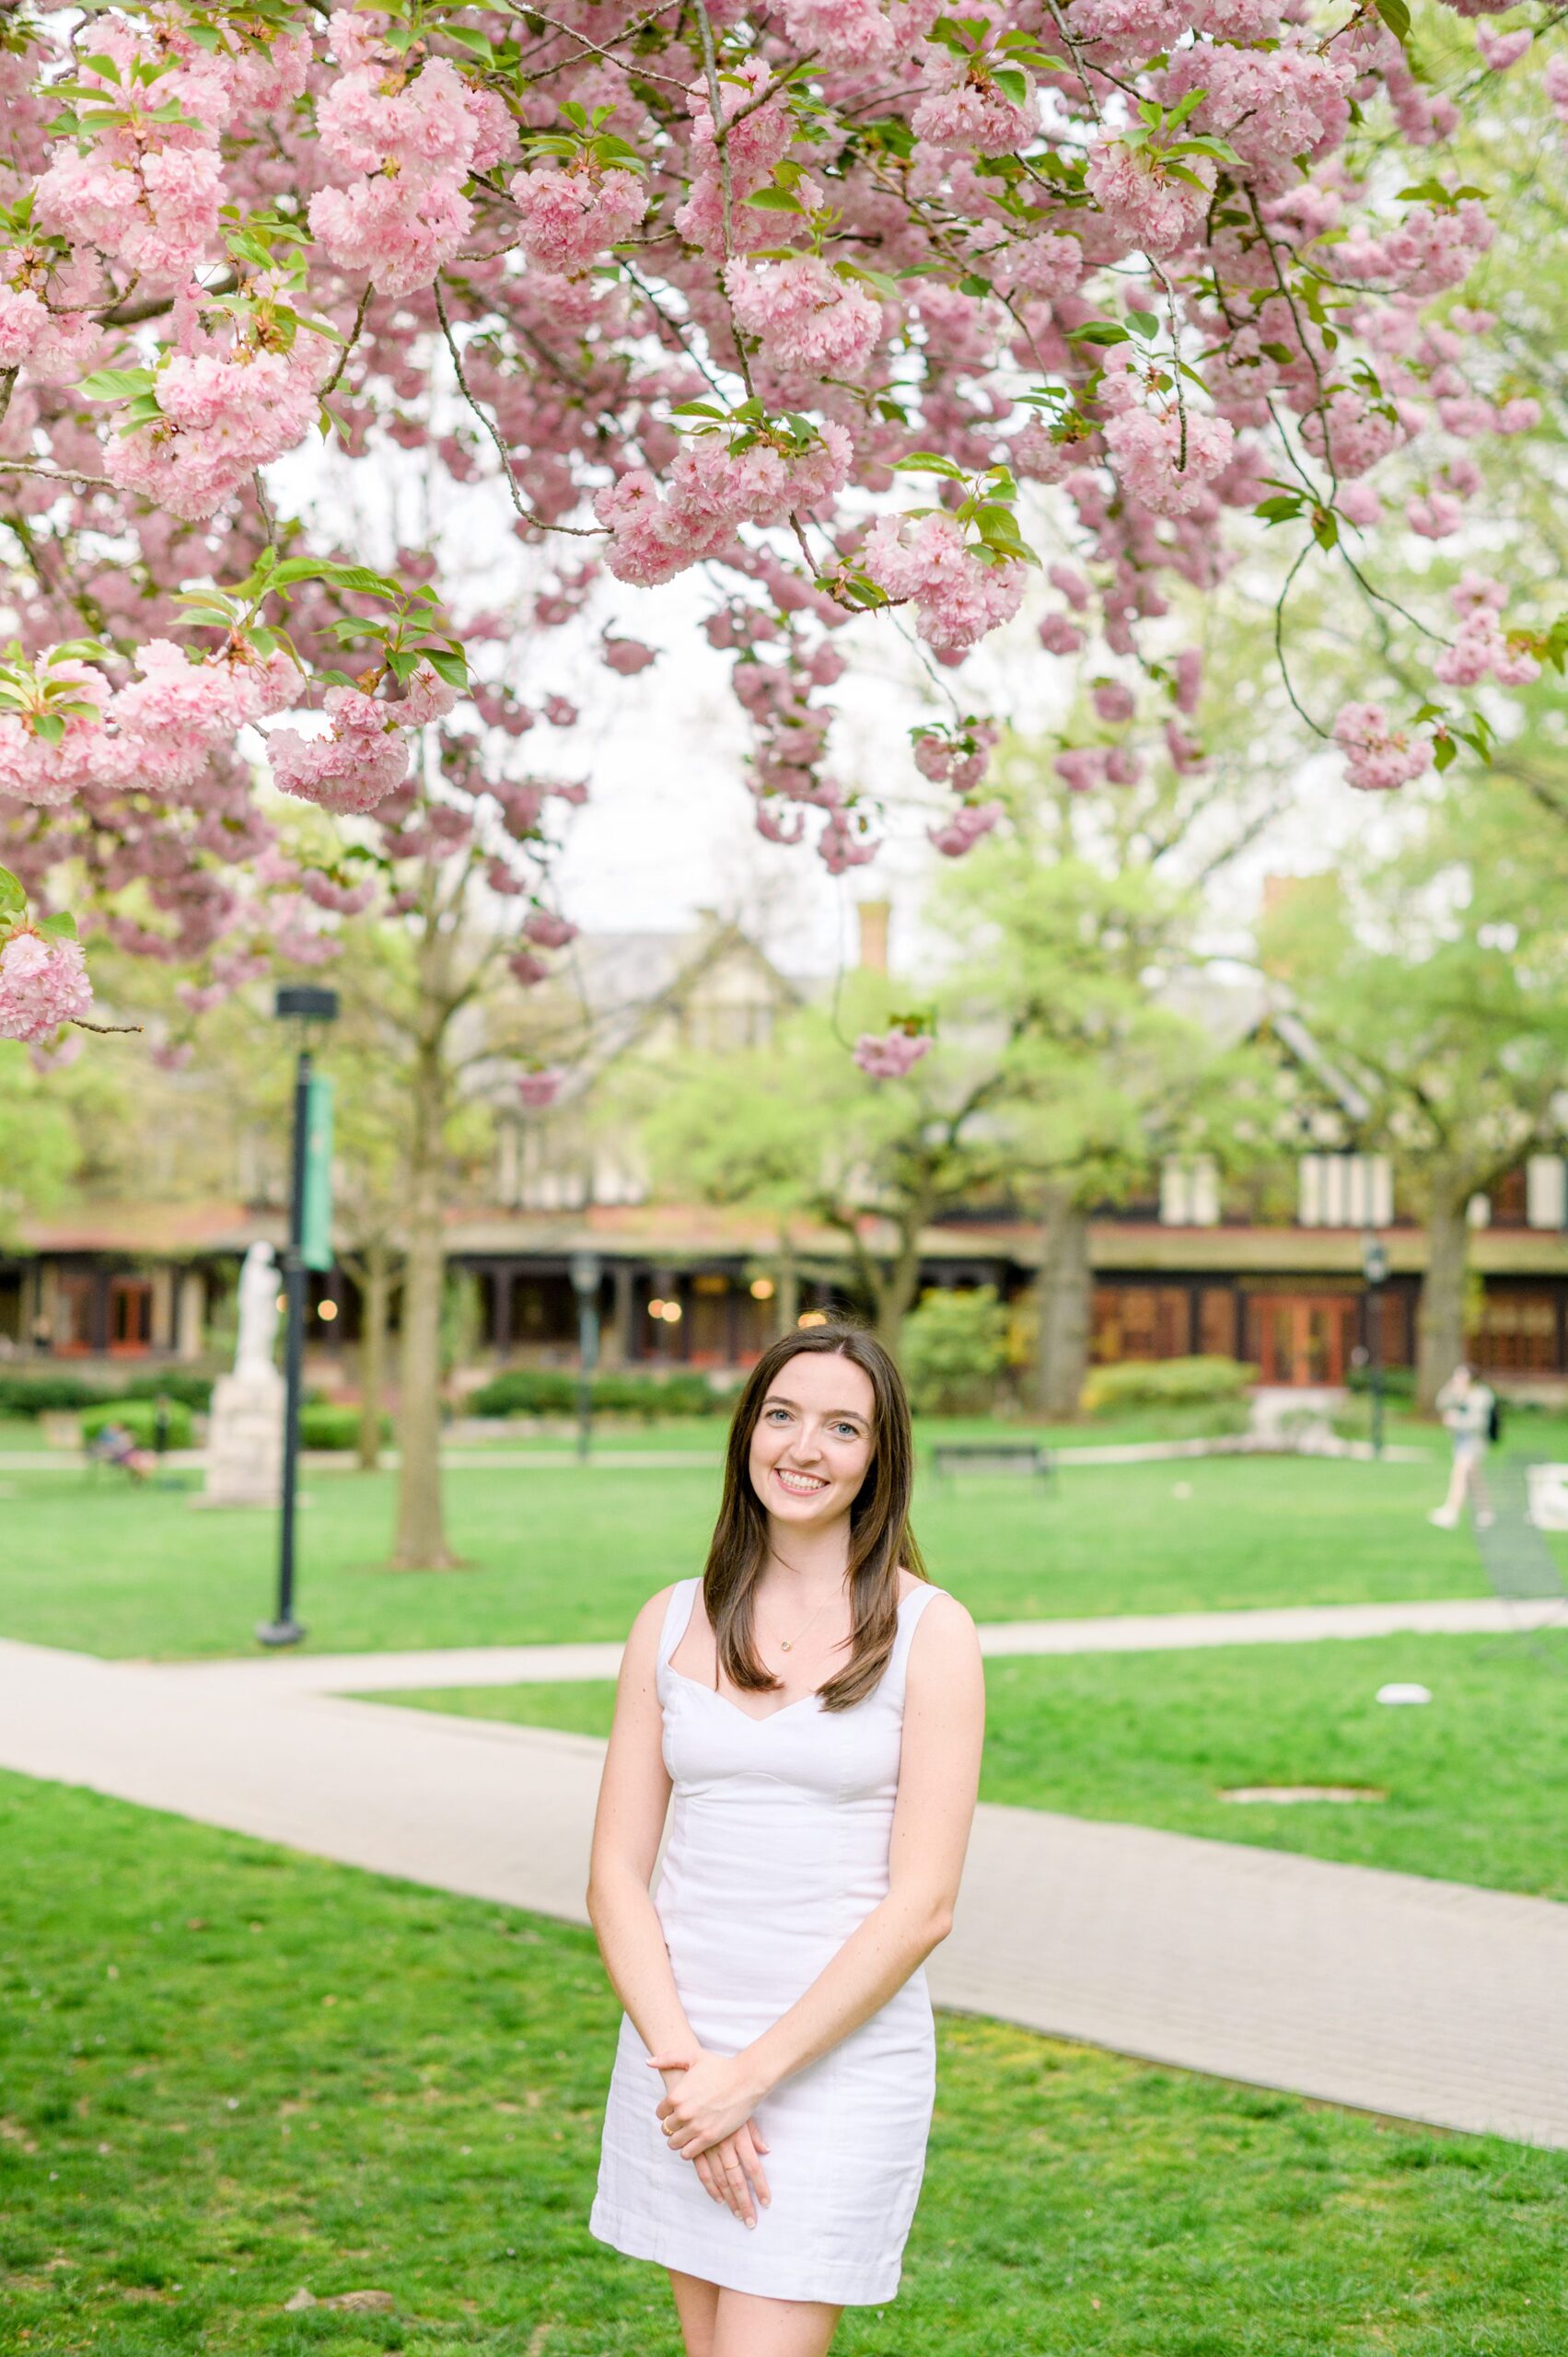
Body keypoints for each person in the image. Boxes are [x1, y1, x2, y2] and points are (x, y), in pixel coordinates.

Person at [586, 1321, 984, 2357]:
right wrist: (688, 2072)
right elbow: (615, 1877)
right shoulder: (670, 1619)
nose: (804, 1448)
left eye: (841, 1426)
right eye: (782, 1415)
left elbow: (922, 1905)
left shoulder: (932, 1632)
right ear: (746, 1432)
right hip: (680, 2049)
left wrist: (750, 2077)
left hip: (830, 2062)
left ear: (878, 1459)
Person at [1428, 1362, 1495, 1529]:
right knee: (1474, 1477)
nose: (1457, 1378)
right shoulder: (1457, 1393)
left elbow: (1479, 1422)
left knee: (1459, 1473)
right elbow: (1440, 1403)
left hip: (1475, 1441)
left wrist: (1457, 1420)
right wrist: (1450, 1388)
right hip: (1460, 1440)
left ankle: (1452, 1512)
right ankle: (1485, 1512)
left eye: (1461, 1375)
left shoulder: (1481, 1395)